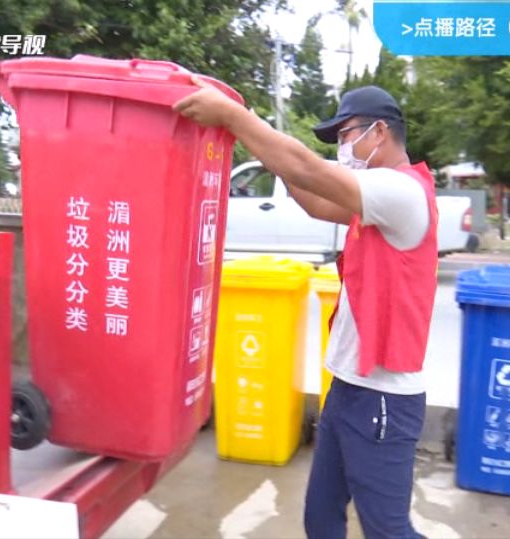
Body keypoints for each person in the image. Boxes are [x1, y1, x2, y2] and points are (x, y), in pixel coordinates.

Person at [175, 82, 437, 539]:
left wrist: (235, 119)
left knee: (387, 530)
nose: (341, 148)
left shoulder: (401, 191)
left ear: (379, 132)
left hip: (383, 398)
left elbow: (308, 169)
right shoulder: (371, 201)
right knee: (321, 517)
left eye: (344, 134)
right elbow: (315, 200)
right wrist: (256, 143)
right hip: (347, 388)